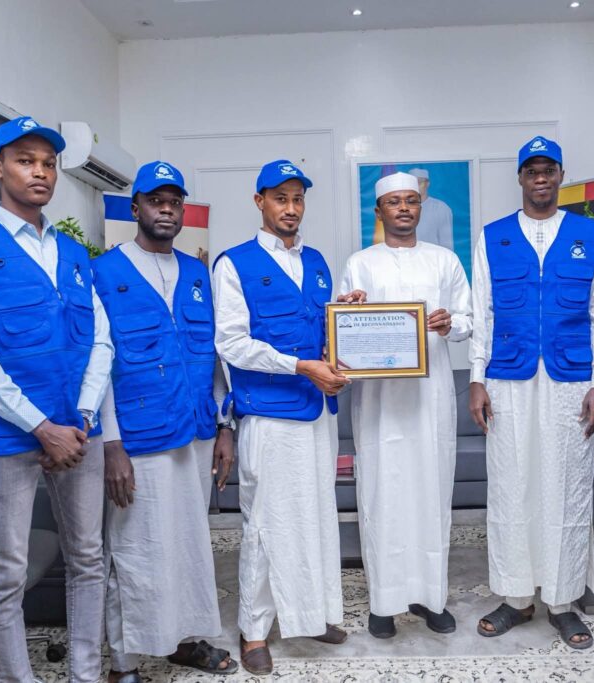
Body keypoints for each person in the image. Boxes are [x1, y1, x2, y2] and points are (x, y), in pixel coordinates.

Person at [0, 116, 112, 683]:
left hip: (78, 431)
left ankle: (85, 674)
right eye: (25, 160)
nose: (40, 172)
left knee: (88, 559)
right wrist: (40, 427)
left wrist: (82, 416)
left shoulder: (74, 254)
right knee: (6, 574)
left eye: (49, 163)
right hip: (4, 436)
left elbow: (99, 339)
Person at [92, 161, 237, 681]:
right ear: (135, 208)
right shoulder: (104, 272)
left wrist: (225, 427)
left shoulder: (197, 273)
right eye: (156, 201)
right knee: (134, 550)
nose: (167, 210)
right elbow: (97, 364)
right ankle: (124, 661)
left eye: (175, 202)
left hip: (194, 432)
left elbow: (213, 358)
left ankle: (184, 641)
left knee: (188, 545)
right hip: (137, 439)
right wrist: (110, 443)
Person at [469, 136, 594, 648]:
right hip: (507, 378)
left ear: (560, 175)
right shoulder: (493, 236)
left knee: (566, 486)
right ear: (520, 178)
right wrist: (476, 377)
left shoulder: (589, 233)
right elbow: (483, 311)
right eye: (531, 170)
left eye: (548, 169)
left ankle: (563, 601)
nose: (541, 178)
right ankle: (516, 598)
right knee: (512, 485)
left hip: (570, 380)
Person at [212, 160, 349, 675]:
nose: (291, 208)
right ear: (260, 202)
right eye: (280, 198)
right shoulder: (234, 264)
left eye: (298, 199)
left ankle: (310, 615)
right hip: (269, 417)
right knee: (266, 525)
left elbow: (322, 333)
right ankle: (253, 631)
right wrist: (300, 366)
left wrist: (346, 316)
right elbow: (231, 344)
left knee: (315, 518)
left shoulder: (316, 262)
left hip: (316, 414)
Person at [335, 172, 472, 639]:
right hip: (378, 403)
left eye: (411, 201)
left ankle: (431, 598)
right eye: (394, 202)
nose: (404, 209)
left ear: (421, 206)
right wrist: (350, 309)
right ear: (379, 211)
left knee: (431, 494)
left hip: (430, 400)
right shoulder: (360, 263)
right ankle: (383, 603)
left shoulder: (444, 260)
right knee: (382, 494)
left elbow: (469, 320)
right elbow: (340, 326)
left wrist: (450, 323)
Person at [409, 168, 454, 252]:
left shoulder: (441, 208)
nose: (416, 186)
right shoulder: (402, 209)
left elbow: (447, 245)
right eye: (412, 183)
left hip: (433, 258)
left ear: (427, 184)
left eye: (419, 182)